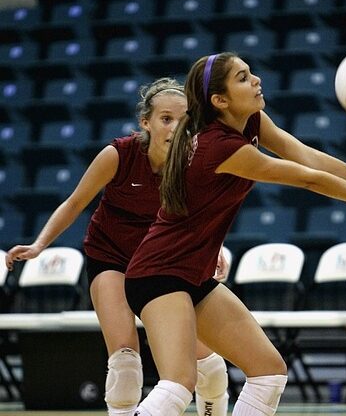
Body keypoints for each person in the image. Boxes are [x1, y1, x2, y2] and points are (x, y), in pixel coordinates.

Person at [124, 52, 346, 416]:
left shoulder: (250, 122)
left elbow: (311, 158)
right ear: (220, 100)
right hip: (159, 274)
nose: (256, 80)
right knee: (178, 383)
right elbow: (308, 178)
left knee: (268, 371)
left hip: (193, 274)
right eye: (244, 78)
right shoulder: (222, 146)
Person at [5, 78, 230, 416]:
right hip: (111, 258)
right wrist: (39, 245)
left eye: (184, 121)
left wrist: (215, 250)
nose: (174, 128)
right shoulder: (119, 154)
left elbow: (204, 216)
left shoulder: (192, 165)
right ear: (146, 122)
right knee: (125, 365)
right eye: (165, 118)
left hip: (162, 265)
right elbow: (75, 202)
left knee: (209, 366)